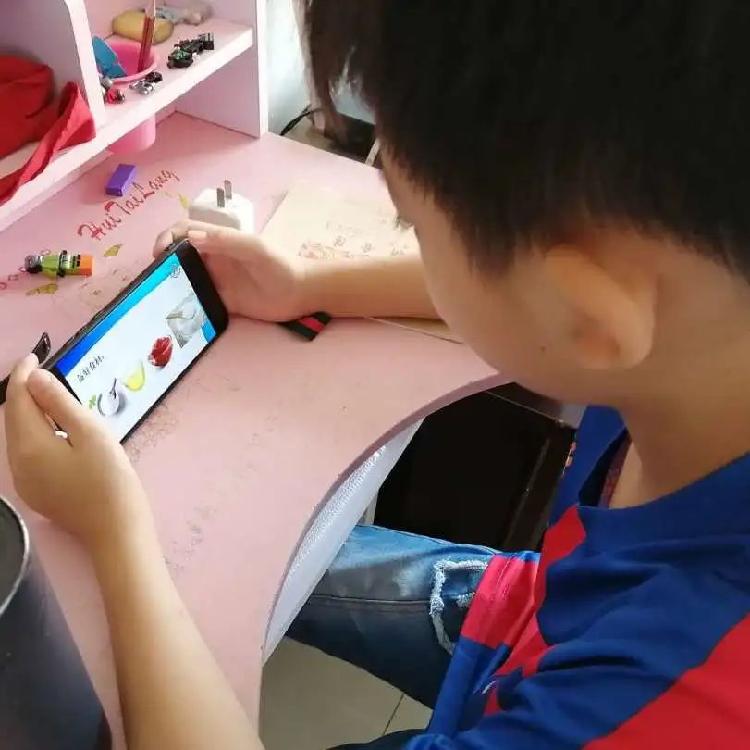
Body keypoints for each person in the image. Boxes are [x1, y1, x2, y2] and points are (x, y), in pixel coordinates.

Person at [5, 1, 750, 747]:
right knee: (249, 571)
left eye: (414, 227)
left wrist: (117, 529)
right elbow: (537, 293)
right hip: (536, 613)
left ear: (586, 319)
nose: (415, 242)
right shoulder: (701, 327)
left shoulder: (667, 707)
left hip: (560, 678)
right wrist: (309, 285)